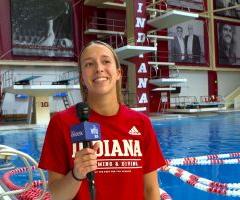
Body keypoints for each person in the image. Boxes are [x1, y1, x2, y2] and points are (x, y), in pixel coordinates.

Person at [38, 41, 166, 200]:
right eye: (89, 64)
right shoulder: (62, 123)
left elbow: (150, 190)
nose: (99, 68)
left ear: (119, 72)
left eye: (106, 61)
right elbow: (56, 195)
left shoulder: (141, 123)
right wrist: (76, 174)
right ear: (82, 78)